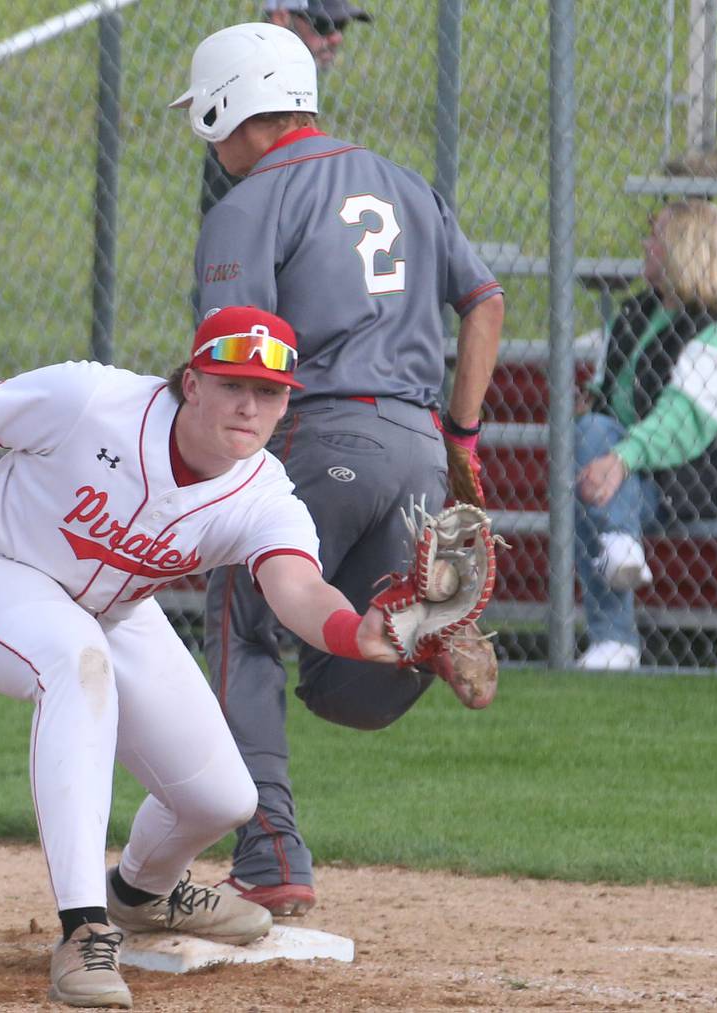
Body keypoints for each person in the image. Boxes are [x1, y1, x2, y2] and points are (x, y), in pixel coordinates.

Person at [0, 306, 412, 1008]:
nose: (249, 405)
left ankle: (141, 894)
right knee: (75, 658)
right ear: (192, 382)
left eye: (269, 391)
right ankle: (83, 926)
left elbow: (297, 587)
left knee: (222, 797)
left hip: (109, 609)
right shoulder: (90, 400)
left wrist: (356, 633)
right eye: (231, 384)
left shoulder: (263, 491)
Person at [172, 22, 504, 915]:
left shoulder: (247, 203)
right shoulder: (402, 182)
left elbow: (241, 364)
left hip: (316, 441)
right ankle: (419, 633)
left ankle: (270, 844)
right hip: (420, 450)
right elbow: (484, 301)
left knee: (243, 613)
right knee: (340, 666)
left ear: (228, 104)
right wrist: (463, 439)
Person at [575, 200, 717, 670]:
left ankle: (615, 634)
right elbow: (605, 389)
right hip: (625, 467)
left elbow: (682, 421)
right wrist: (591, 408)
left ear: (684, 251)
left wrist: (620, 459)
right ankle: (617, 590)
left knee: (597, 468)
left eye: (655, 237)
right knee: (591, 435)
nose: (645, 246)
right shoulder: (637, 312)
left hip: (689, 478)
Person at [200, 0, 375, 217]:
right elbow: (225, 217)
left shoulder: (295, 88)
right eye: (323, 25)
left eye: (342, 26)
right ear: (281, 17)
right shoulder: (243, 100)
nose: (336, 38)